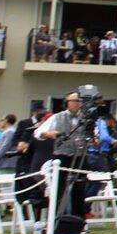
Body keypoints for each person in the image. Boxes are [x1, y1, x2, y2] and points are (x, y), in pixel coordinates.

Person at [39, 91, 89, 219]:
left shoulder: (86, 119)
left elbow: (94, 135)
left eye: (79, 101)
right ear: (67, 103)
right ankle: (56, 218)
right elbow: (39, 132)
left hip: (80, 156)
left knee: (79, 188)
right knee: (59, 187)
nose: (77, 103)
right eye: (74, 101)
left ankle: (78, 220)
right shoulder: (58, 117)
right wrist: (52, 134)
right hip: (62, 156)